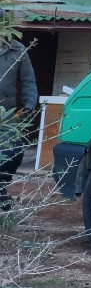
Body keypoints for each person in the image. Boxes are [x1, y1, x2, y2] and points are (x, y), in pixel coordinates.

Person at [0, 35, 38, 209]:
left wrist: (29, 105)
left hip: (7, 114)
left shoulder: (17, 49)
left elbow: (28, 80)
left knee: (13, 152)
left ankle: (1, 189)